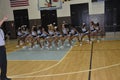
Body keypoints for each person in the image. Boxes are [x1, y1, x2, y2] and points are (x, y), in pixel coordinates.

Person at [0, 16, 11, 80]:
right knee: (3, 62)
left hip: (2, 47)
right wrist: (3, 19)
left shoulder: (1, 29)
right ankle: (3, 77)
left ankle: (3, 76)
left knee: (3, 63)